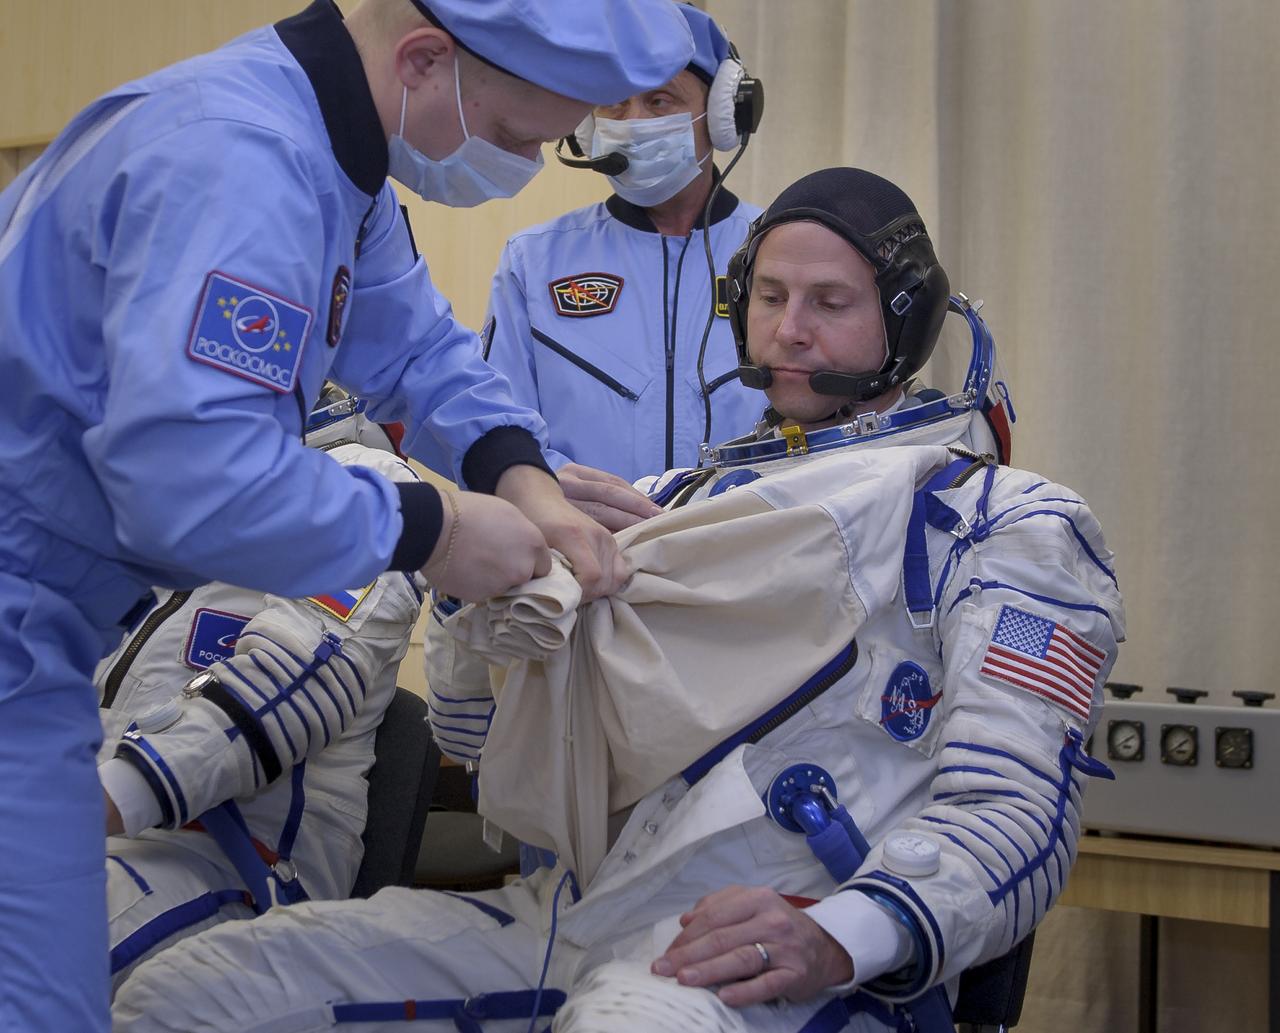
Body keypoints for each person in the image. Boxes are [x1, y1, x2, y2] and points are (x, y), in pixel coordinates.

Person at [112, 168, 1123, 1033]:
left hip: (785, 942)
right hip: (580, 911)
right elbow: (475, 737)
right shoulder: (672, 513)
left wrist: (841, 933)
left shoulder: (1001, 520)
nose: (789, 331)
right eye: (767, 297)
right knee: (190, 991)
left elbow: (1016, 815)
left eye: (829, 302)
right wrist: (481, 596)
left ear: (901, 319)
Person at [0, 1, 696, 1028]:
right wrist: (436, 530)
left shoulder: (335, 164)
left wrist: (523, 477)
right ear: (424, 60)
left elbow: (415, 348)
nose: (521, 165)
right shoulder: (244, 163)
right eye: (514, 137)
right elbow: (194, 474)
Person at [98, 387, 424, 991]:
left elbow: (299, 684)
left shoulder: (367, 481)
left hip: (240, 858)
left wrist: (98, 800)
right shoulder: (154, 504)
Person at [475, 3, 767, 531]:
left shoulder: (788, 252)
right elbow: (496, 428)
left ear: (725, 116)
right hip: (585, 567)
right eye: (613, 103)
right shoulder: (534, 261)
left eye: (660, 100)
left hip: (748, 568)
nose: (633, 123)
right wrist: (545, 488)